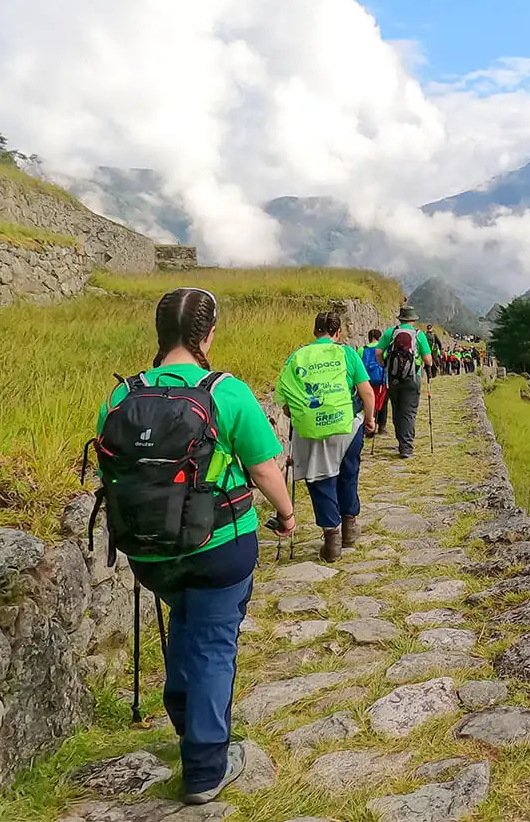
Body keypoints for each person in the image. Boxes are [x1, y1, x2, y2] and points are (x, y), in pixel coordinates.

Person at [92, 287, 295, 805]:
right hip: (218, 546)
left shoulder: (121, 396)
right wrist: (287, 514)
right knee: (210, 642)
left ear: (159, 334)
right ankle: (206, 767)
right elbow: (264, 468)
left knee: (188, 623)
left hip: (148, 553)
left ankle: (184, 717)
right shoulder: (226, 392)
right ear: (208, 334)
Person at [276, 310, 376, 562]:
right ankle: (350, 529)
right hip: (348, 427)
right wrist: (371, 419)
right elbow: (367, 392)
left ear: (314, 331)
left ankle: (332, 541)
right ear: (338, 332)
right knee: (348, 474)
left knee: (321, 480)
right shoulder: (347, 353)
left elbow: (286, 403)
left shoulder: (297, 357)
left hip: (311, 430)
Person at [371, 305, 436, 457]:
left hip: (393, 378)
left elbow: (378, 352)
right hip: (412, 378)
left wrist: (384, 364)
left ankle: (401, 441)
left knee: (397, 409)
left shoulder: (390, 332)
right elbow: (428, 360)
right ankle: (406, 447)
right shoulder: (419, 335)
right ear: (413, 319)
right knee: (409, 412)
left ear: (400, 319)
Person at [362, 328, 390, 430]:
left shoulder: (362, 349)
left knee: (368, 402)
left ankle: (369, 425)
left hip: (367, 381)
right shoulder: (383, 350)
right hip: (382, 380)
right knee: (383, 402)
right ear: (380, 338)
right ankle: (382, 427)